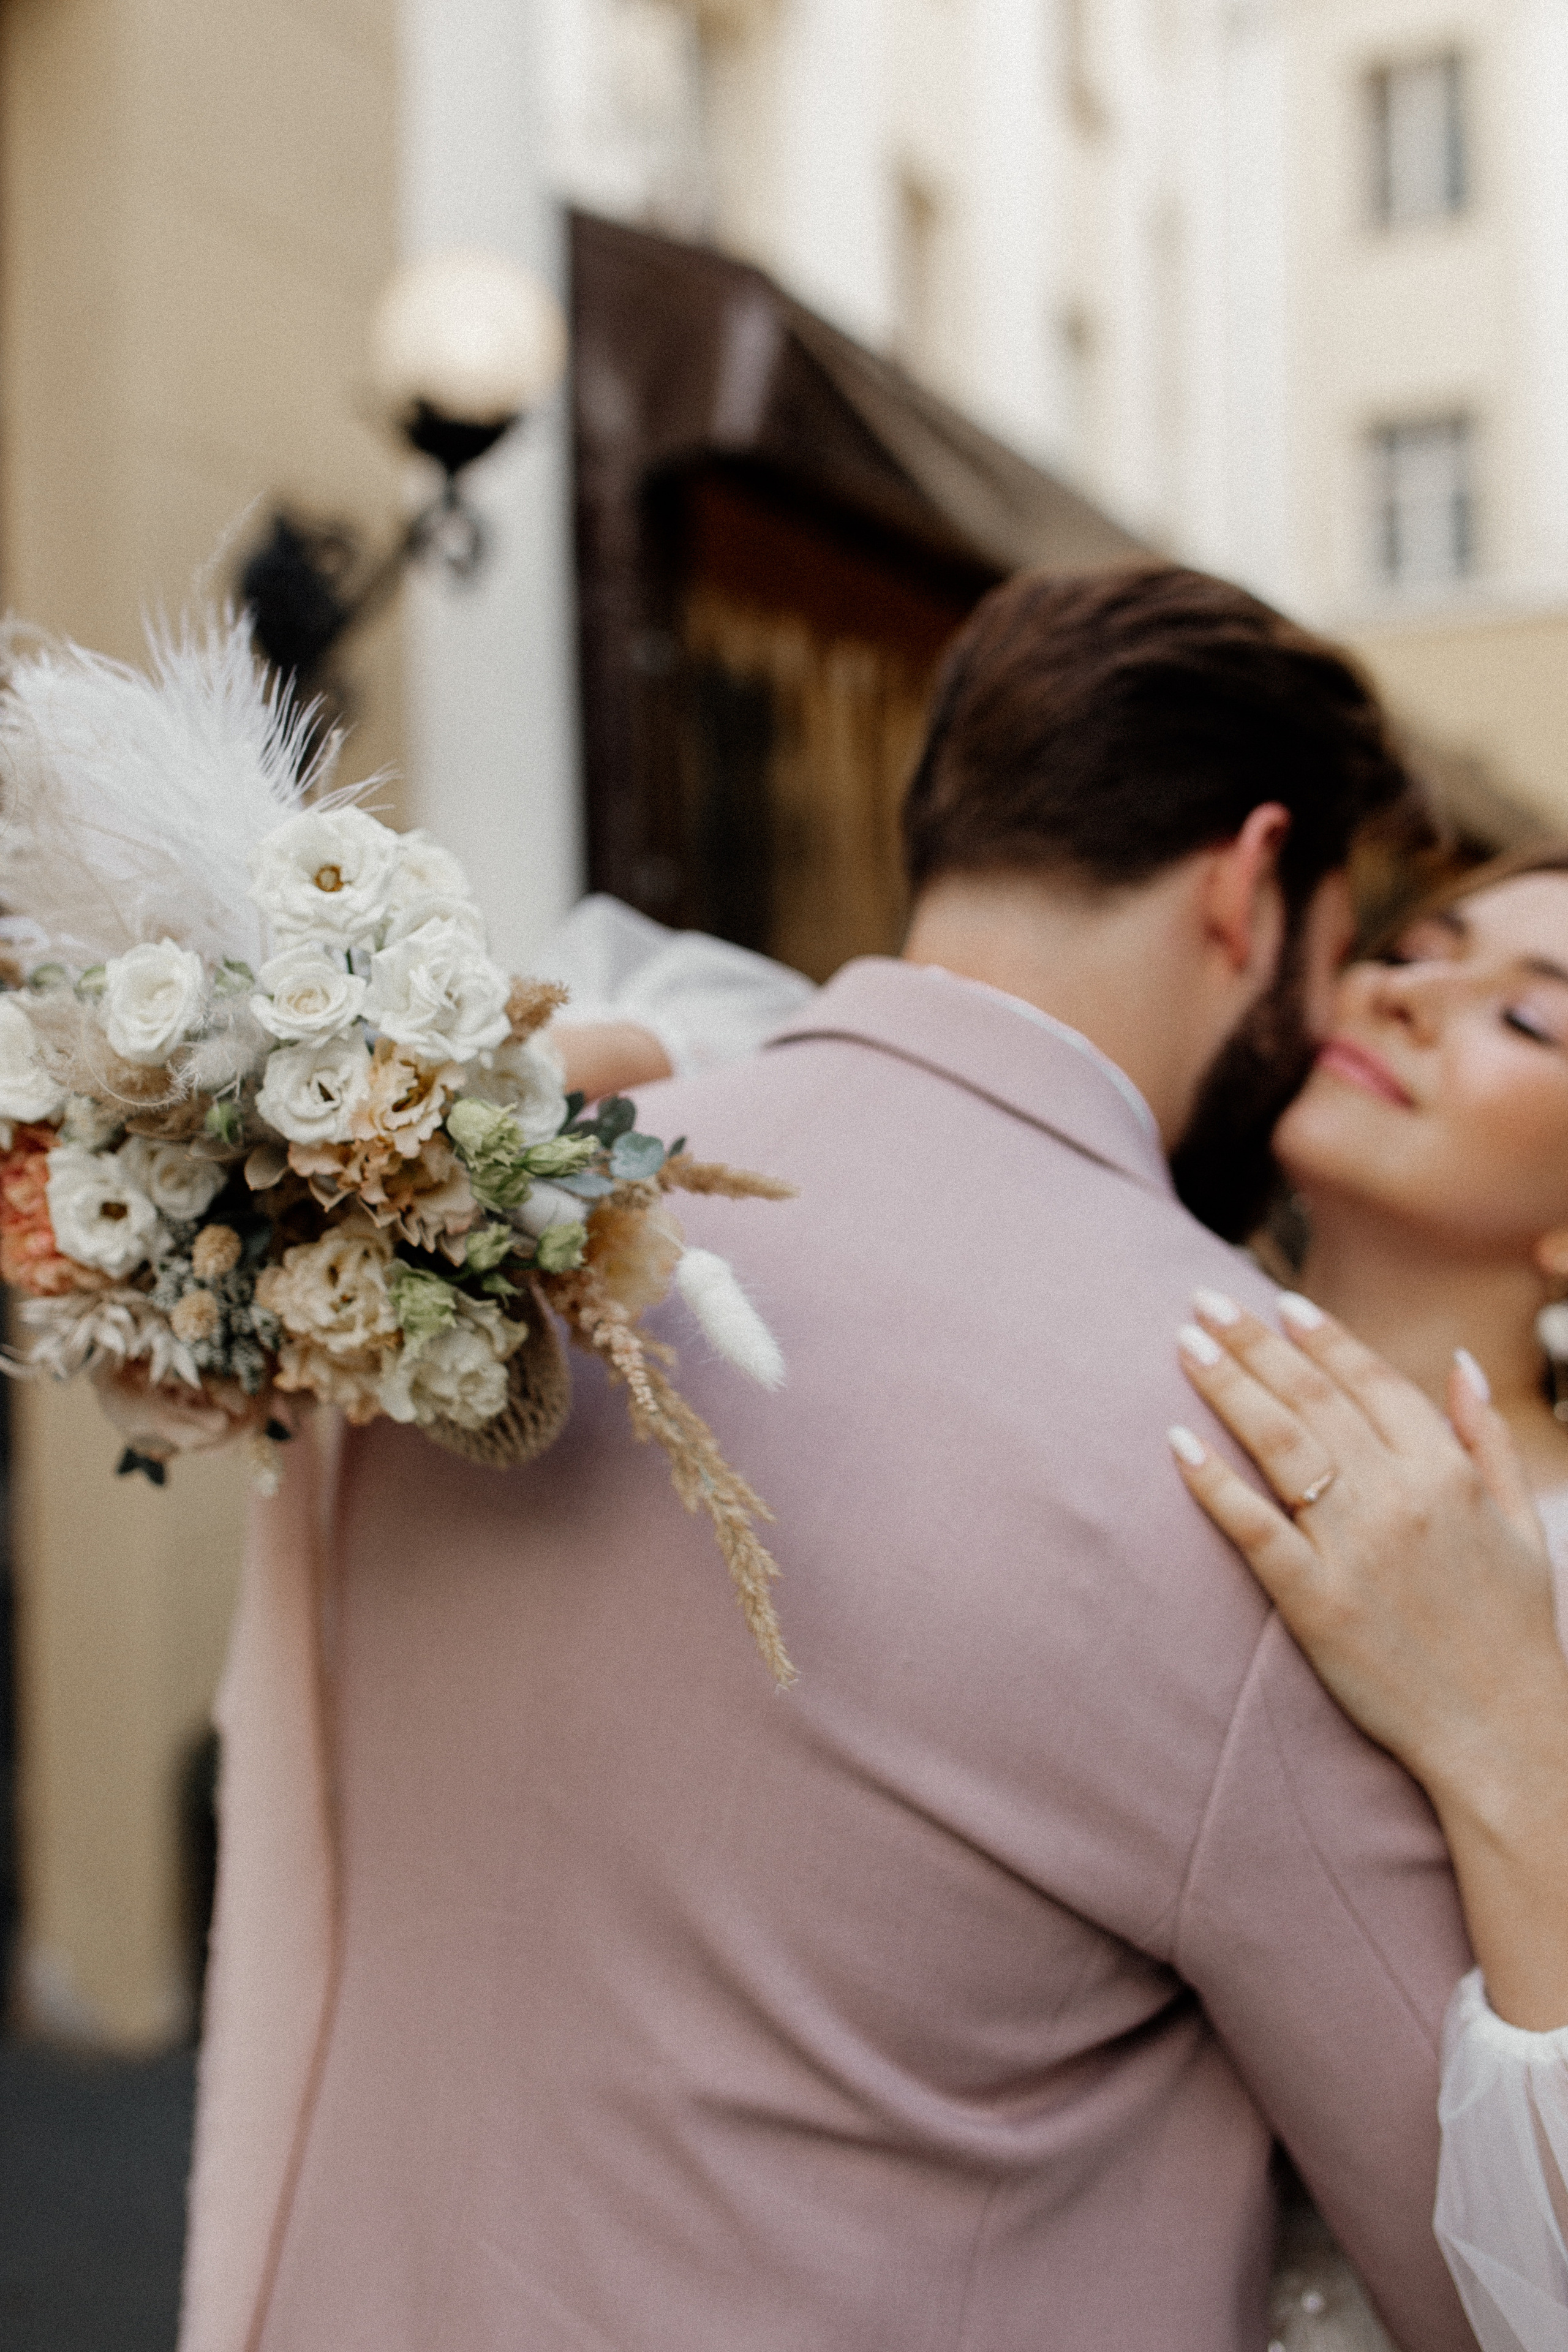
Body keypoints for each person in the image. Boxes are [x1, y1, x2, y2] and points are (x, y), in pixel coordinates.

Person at [181, 564, 1481, 2352]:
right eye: (1351, 951)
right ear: (1255, 887)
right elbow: (1482, 2259)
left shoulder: (466, 1224)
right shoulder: (1267, 1445)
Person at [1164, 850, 1568, 2351]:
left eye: (1528, 1021)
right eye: (1421, 946)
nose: (1406, 992)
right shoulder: (1111, 1340)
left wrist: (1502, 1727)